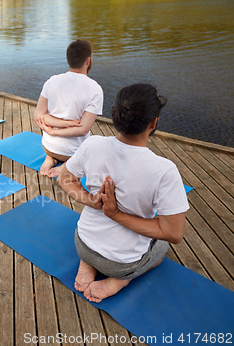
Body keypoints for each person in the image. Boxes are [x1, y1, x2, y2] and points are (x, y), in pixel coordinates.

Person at [58, 83, 189, 303]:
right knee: (162, 248)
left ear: (116, 115)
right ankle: (120, 280)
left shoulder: (93, 144)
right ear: (153, 123)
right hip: (120, 264)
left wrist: (91, 201)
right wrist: (115, 214)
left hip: (82, 242)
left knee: (96, 248)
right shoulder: (164, 170)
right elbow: (174, 234)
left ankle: (88, 262)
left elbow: (65, 178)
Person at [34, 39, 103, 177]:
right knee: (97, 146)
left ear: (68, 60)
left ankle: (51, 158)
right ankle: (67, 165)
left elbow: (38, 116)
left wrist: (53, 132)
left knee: (56, 148)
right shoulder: (95, 89)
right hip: (74, 153)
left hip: (48, 146)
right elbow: (83, 130)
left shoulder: (51, 81)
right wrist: (65, 125)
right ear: (88, 61)